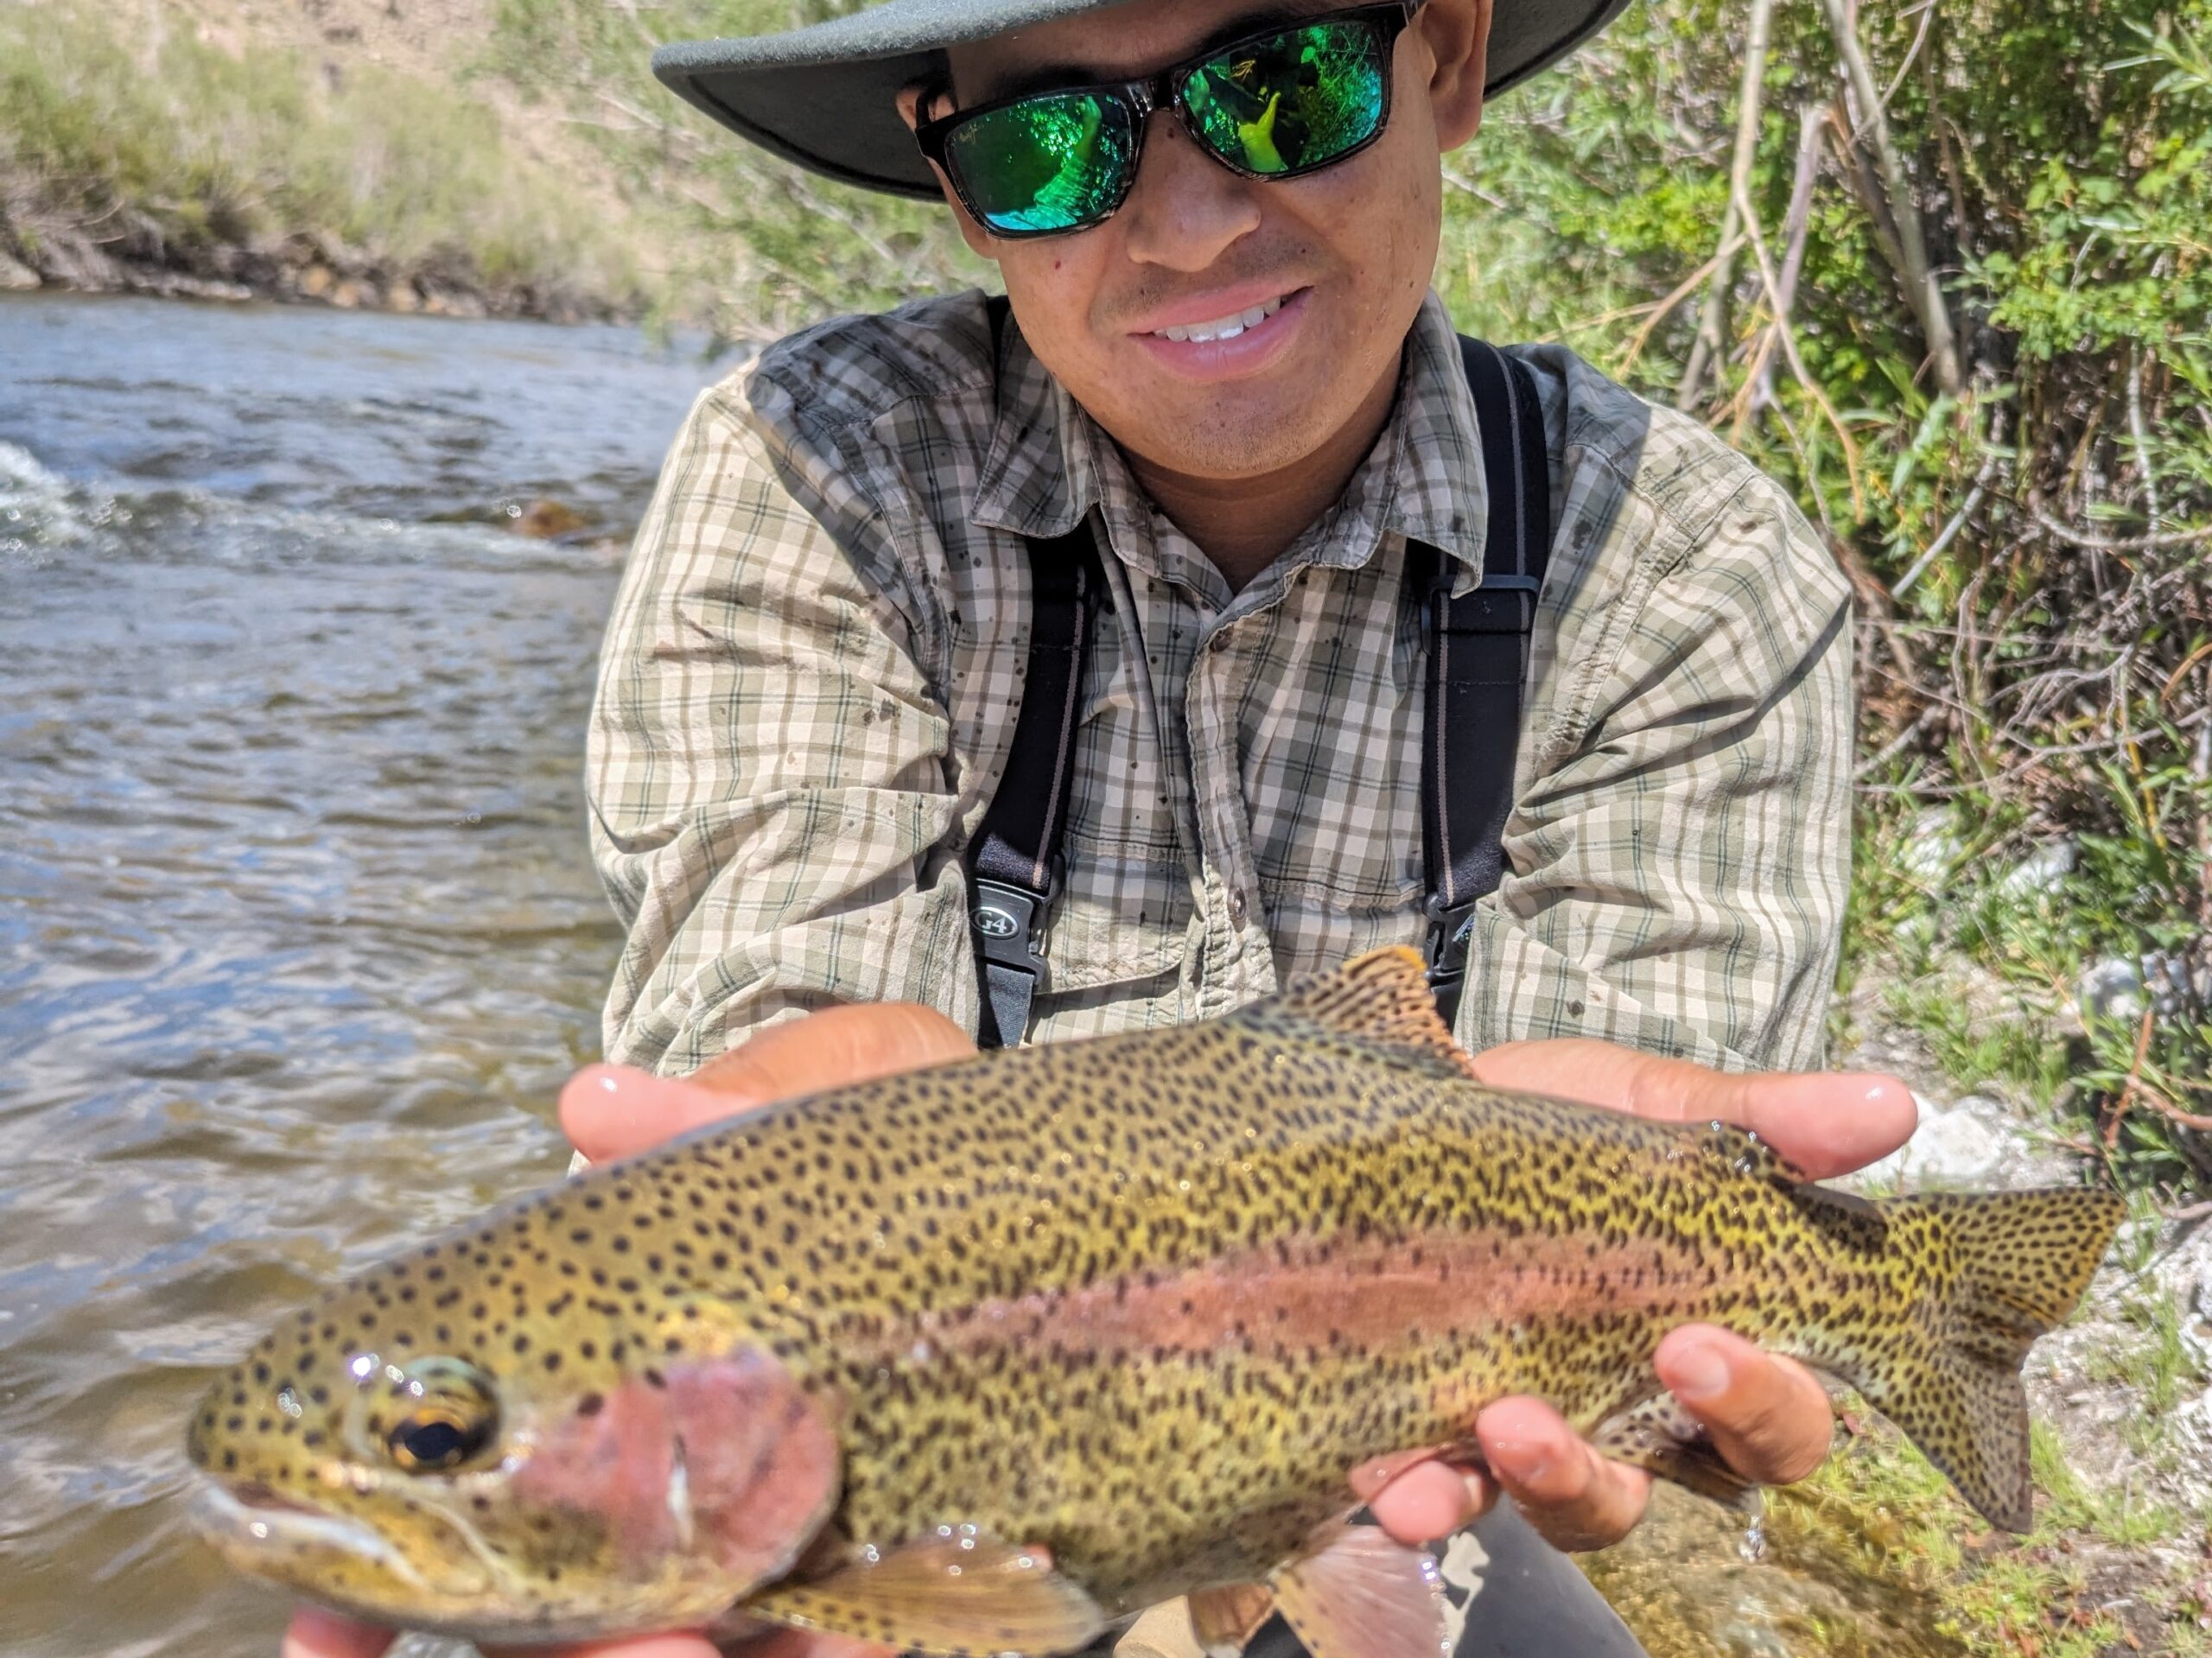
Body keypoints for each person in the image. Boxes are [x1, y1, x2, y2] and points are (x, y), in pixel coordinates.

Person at [281, 1, 1921, 1655]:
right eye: (1047, 145)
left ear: (1445, 64)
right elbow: (772, 1022)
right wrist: (773, 1113)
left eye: (1285, 90)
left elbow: (1628, 1222)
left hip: (1402, 1454)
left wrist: (1686, 1359)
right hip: (945, 1451)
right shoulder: (823, 469)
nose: (1192, 224)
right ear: (952, 174)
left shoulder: (1686, 575)